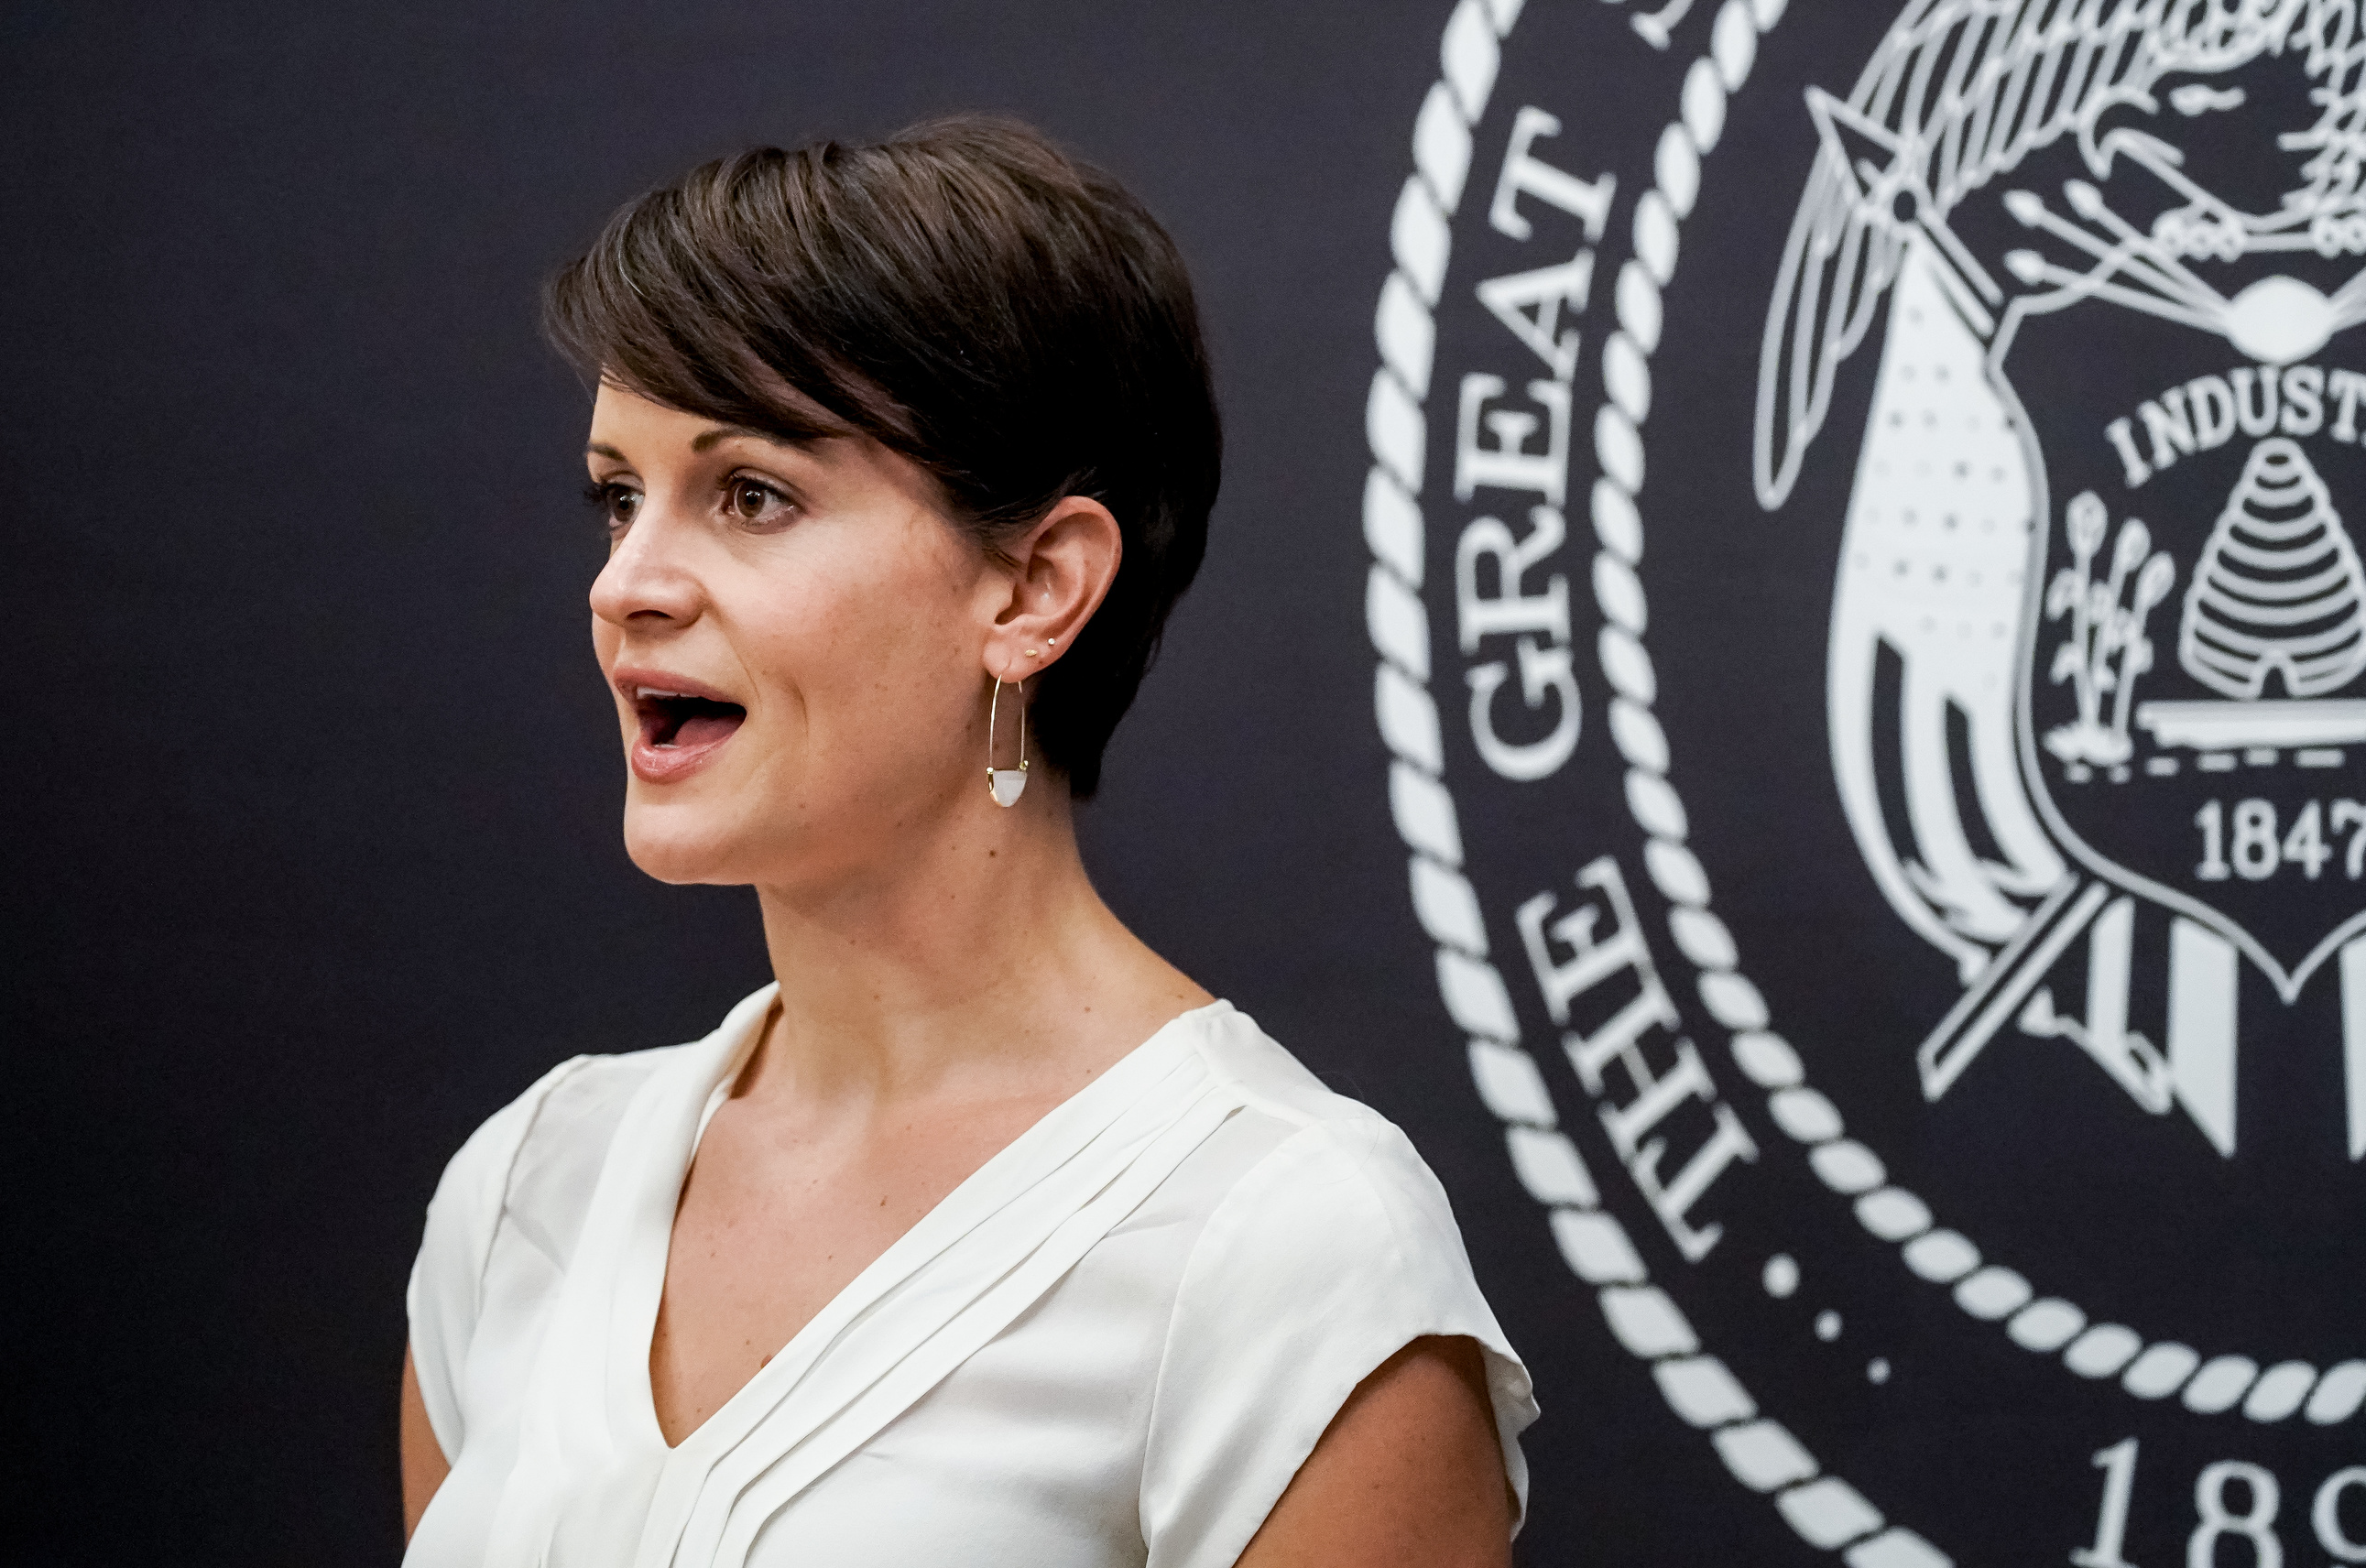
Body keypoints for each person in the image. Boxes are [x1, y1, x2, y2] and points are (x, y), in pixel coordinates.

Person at [398, 116, 1533, 1567]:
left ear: (1036, 590)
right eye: (620, 495)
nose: (628, 583)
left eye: (750, 494)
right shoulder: (526, 1190)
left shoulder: (1286, 1244)